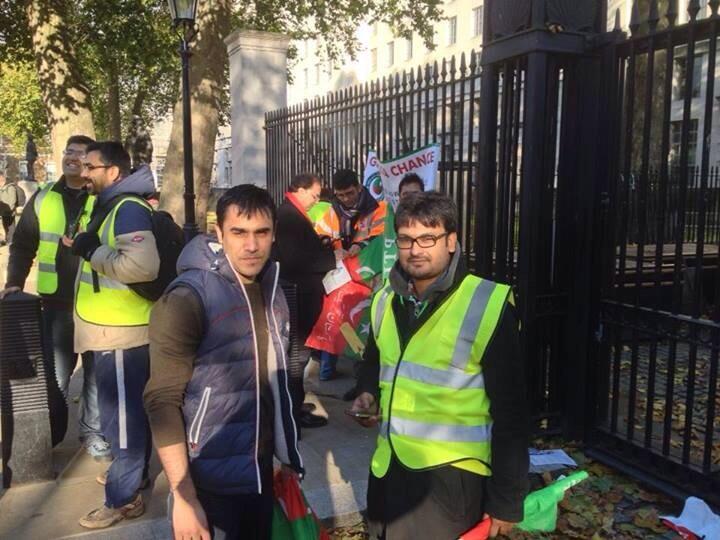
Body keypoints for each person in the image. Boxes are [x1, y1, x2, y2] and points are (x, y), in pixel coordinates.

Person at [350, 191, 529, 540]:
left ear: (451, 241)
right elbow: (374, 360)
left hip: (450, 482)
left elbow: (512, 411)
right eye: (406, 239)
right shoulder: (385, 298)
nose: (415, 250)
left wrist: (507, 498)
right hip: (387, 472)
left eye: (427, 238)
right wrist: (368, 393)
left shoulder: (487, 303)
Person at [144, 185, 302, 540]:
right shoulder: (187, 298)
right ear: (219, 233)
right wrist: (183, 496)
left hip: (260, 471)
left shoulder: (273, 287)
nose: (252, 245)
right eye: (239, 232)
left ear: (274, 233)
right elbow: (161, 401)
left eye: (261, 232)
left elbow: (276, 381)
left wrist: (286, 454)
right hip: (207, 480)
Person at [1, 135, 110, 458]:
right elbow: (23, 244)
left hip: (96, 302)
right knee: (56, 377)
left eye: (80, 153)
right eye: (68, 151)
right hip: (57, 305)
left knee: (95, 376)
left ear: (90, 161)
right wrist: (14, 282)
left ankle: (92, 433)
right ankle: (49, 436)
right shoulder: (44, 197)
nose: (71, 157)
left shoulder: (104, 198)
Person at [69, 141, 159, 529]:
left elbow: (142, 267)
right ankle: (133, 478)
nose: (84, 172)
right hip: (112, 329)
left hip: (124, 332)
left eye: (91, 166)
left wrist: (91, 251)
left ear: (114, 172)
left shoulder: (128, 209)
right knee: (124, 416)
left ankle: (123, 498)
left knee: (122, 422)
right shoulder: (110, 206)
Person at [273, 172, 337, 429]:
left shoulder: (293, 214)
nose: (316, 201)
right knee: (296, 357)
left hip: (301, 294)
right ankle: (293, 413)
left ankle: (295, 408)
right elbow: (296, 259)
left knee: (298, 357)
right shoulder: (289, 216)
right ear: (300, 190)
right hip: (297, 296)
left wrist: (320, 244)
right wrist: (332, 259)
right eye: (314, 195)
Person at [314, 169, 388, 381]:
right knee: (335, 317)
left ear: (359, 188)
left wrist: (359, 246)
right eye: (341, 195)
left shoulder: (378, 208)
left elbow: (380, 239)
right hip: (339, 274)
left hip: (366, 275)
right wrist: (330, 246)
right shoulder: (332, 210)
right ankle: (327, 369)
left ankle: (360, 372)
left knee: (361, 319)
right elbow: (320, 235)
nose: (346, 199)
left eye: (349, 193)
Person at [0, 172, 17, 245]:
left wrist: (9, 209)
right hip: (3, 212)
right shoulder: (1, 188)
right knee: (6, 228)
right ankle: (8, 241)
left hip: (9, 212)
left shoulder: (10, 187)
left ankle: (11, 243)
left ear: (2, 178)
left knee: (11, 228)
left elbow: (13, 201)